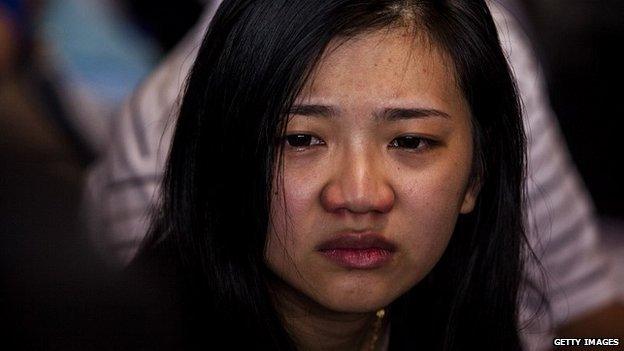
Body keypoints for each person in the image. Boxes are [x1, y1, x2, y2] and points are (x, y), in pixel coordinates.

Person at [83, 1, 622, 350]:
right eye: (300, 140)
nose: (360, 196)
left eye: (411, 141)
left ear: (476, 175)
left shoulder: (478, 45)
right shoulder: (164, 127)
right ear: (223, 157)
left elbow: (586, 323)